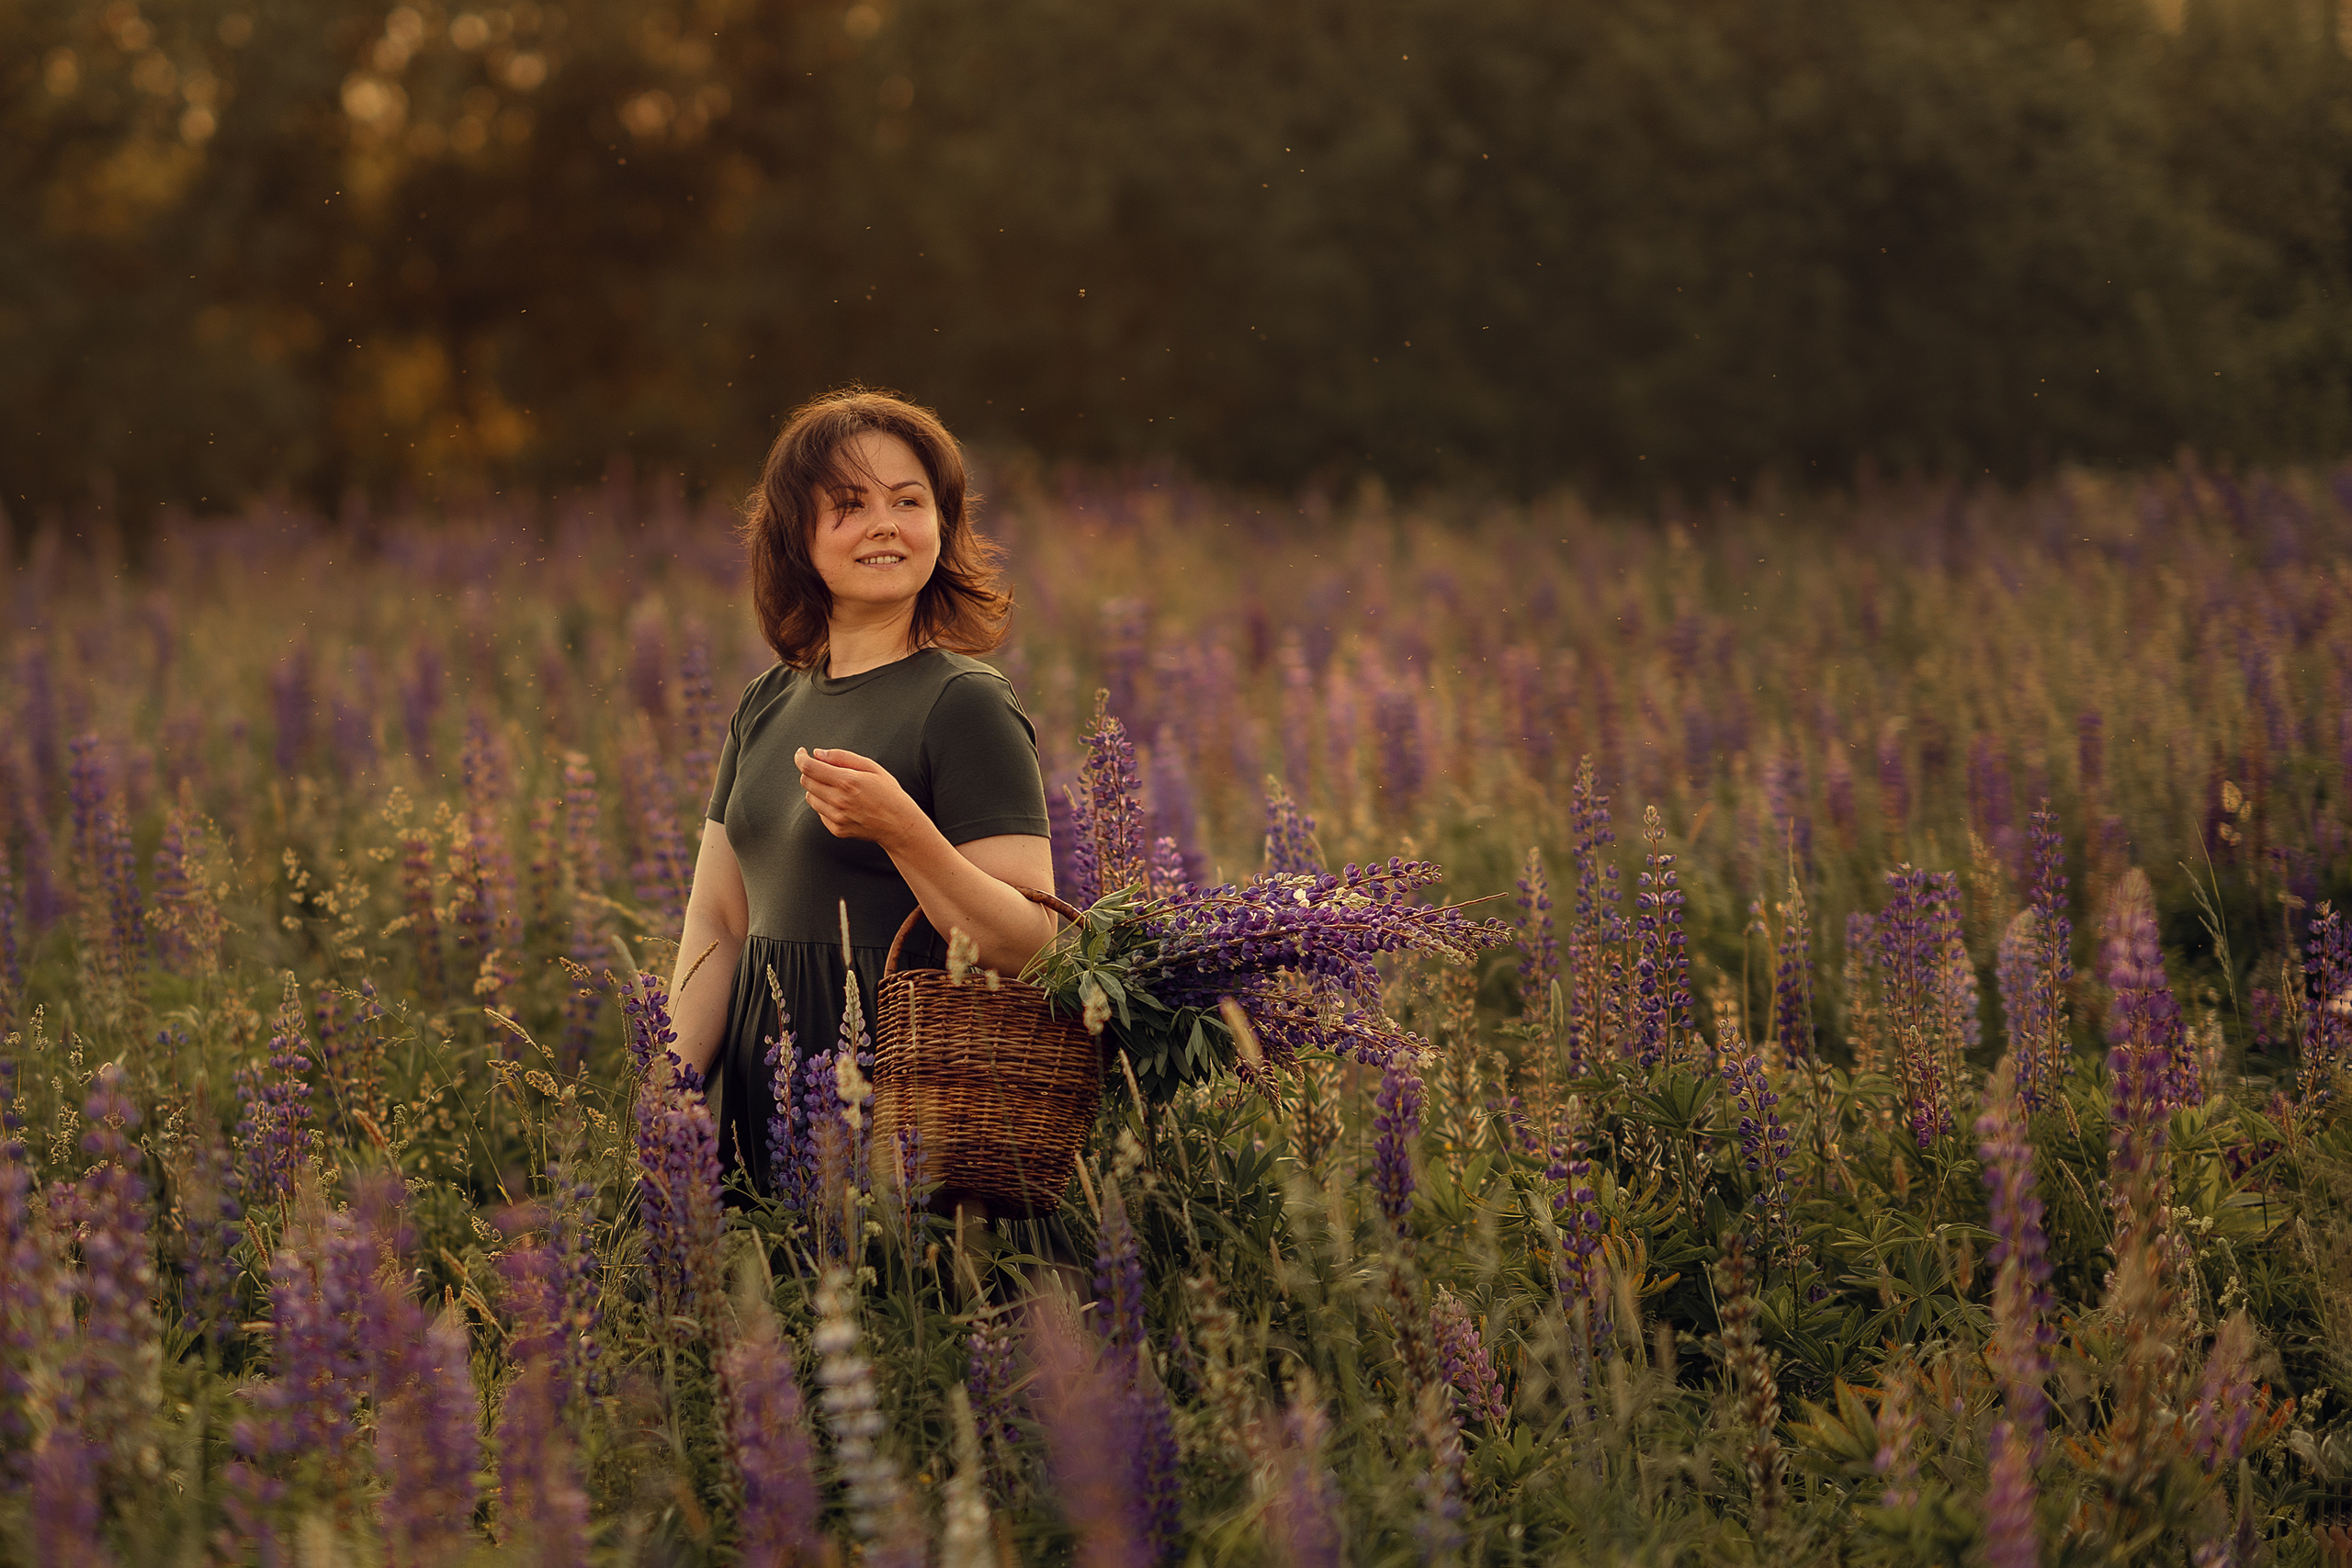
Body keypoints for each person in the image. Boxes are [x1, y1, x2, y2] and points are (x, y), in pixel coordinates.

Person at [667, 388, 1058, 1199]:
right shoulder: (767, 702)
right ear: (797, 537)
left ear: (941, 526)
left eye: (909, 501)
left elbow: (1034, 945)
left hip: (907, 1099)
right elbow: (719, 922)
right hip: (766, 1092)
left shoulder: (966, 702)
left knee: (899, 1318)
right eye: (849, 504)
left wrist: (903, 832)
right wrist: (667, 1088)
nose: (885, 522)